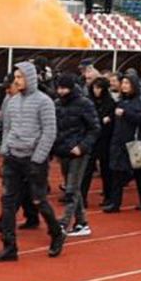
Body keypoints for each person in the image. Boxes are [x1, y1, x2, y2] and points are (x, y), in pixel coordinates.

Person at [0, 62, 66, 262]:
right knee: (7, 203)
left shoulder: (44, 102)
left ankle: (56, 233)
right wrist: (5, 150)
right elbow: (7, 127)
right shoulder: (12, 102)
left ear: (30, 78)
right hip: (13, 158)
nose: (16, 81)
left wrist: (38, 159)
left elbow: (49, 132)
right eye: (15, 77)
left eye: (20, 77)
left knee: (39, 201)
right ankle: (9, 246)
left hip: (34, 160)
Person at [0, 71, 40, 233]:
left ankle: (5, 223)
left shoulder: (35, 102)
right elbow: (0, 122)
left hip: (27, 152)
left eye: (9, 87)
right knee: (21, 188)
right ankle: (32, 217)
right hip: (10, 150)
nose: (7, 91)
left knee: (14, 189)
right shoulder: (8, 101)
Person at [52, 73, 100, 237]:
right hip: (63, 151)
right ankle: (82, 222)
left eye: (64, 88)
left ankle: (63, 223)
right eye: (59, 88)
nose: (61, 91)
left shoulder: (84, 104)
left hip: (79, 152)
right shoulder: (57, 104)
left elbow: (94, 128)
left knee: (71, 189)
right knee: (73, 187)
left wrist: (82, 146)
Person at [106, 73, 141, 213]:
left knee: (139, 173)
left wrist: (125, 114)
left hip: (134, 142)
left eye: (127, 83)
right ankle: (115, 203)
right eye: (123, 83)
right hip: (119, 141)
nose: (124, 86)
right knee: (116, 172)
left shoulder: (139, 103)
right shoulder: (120, 101)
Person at [82, 76, 116, 208]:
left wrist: (108, 119)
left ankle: (108, 196)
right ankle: (82, 197)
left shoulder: (110, 103)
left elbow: (112, 119)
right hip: (92, 139)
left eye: (99, 88)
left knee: (106, 170)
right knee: (87, 170)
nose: (97, 90)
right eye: (95, 87)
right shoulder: (89, 101)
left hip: (105, 140)